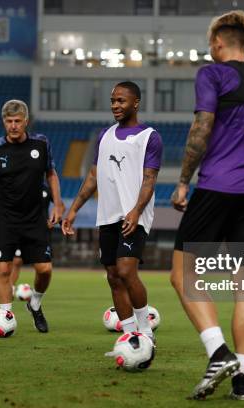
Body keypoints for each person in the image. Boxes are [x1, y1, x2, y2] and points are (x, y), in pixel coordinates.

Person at [169, 11, 244, 400]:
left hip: (217, 185)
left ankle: (218, 352)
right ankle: (243, 383)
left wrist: (184, 180)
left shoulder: (212, 74)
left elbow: (202, 126)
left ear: (219, 42)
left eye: (210, 42)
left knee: (182, 276)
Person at [62, 81, 163, 344]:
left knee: (127, 270)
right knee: (113, 276)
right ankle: (130, 335)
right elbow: (94, 175)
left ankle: (146, 330)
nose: (115, 105)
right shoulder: (104, 136)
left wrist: (135, 211)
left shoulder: (149, 137)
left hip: (134, 217)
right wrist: (73, 210)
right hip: (107, 216)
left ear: (136, 103)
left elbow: (149, 179)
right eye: (113, 100)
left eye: (121, 101)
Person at [0, 99, 64, 333]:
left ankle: (35, 303)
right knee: (3, 269)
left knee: (45, 269)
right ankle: (6, 316)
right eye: (9, 121)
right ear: (4, 122)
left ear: (26, 121)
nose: (13, 126)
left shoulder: (41, 144)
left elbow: (51, 174)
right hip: (5, 217)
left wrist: (59, 204)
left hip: (35, 216)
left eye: (17, 121)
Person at [9, 184, 52, 289]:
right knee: (17, 261)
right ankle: (11, 289)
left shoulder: (47, 190)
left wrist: (52, 219)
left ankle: (36, 295)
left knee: (41, 266)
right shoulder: (24, 187)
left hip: (41, 231)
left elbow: (60, 206)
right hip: (23, 228)